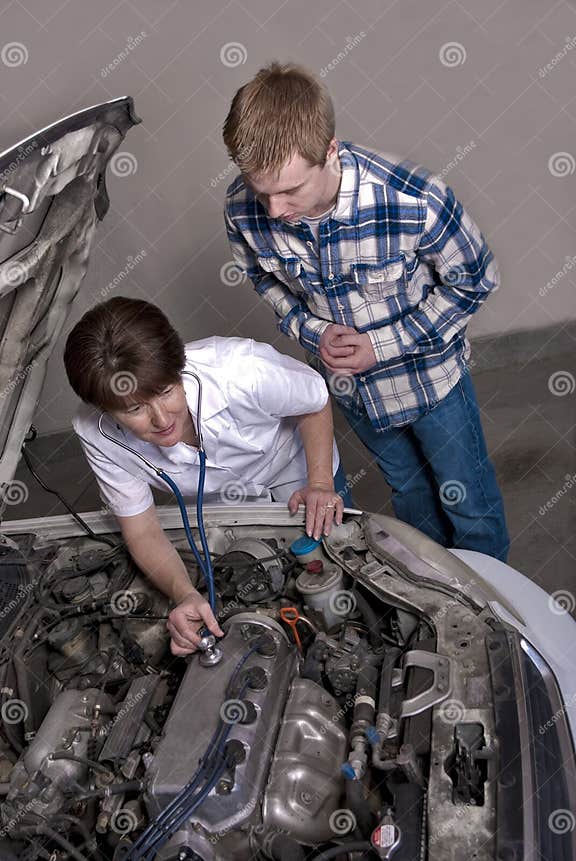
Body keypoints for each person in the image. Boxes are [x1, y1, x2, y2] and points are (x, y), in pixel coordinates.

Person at [222, 61, 509, 561]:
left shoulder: (413, 197)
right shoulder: (241, 208)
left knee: (469, 504)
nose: (274, 210)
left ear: (330, 151)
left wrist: (383, 344)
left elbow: (476, 279)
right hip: (355, 394)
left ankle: (498, 616)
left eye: (290, 190)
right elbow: (263, 279)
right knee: (412, 497)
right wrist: (311, 331)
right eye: (261, 190)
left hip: (431, 381)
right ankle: (439, 595)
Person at [64, 297, 350, 655]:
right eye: (135, 409)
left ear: (179, 367)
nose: (162, 419)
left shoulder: (241, 369)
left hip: (300, 473)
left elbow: (315, 402)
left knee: (335, 580)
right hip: (221, 504)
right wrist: (186, 595)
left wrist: (321, 483)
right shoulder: (95, 431)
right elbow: (142, 529)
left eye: (167, 391)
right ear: (103, 409)